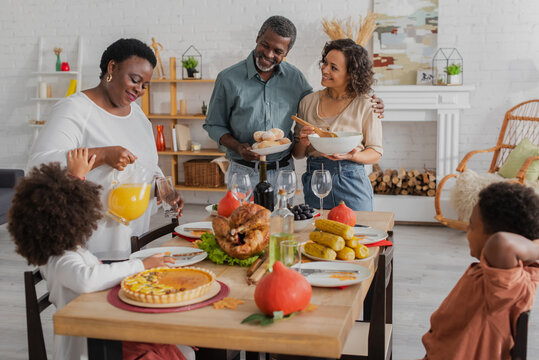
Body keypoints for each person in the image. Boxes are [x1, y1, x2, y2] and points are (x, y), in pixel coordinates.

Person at [7, 151, 194, 360]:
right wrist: (140, 266)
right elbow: (86, 279)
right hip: (94, 346)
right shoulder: (60, 260)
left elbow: (62, 203)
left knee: (179, 347)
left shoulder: (65, 251)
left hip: (106, 331)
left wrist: (78, 176)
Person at [28, 38, 183, 261]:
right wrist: (101, 155)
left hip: (133, 245)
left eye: (144, 86)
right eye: (135, 80)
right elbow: (37, 166)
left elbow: (147, 165)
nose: (139, 90)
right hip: (86, 250)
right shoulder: (75, 109)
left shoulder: (138, 117)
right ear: (112, 68)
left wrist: (162, 188)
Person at [203, 16, 384, 192]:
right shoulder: (228, 79)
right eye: (265, 45)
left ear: (287, 52)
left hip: (283, 173)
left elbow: (318, 103)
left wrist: (371, 100)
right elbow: (213, 125)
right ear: (258, 37)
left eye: (278, 51)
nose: (268, 54)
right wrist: (237, 147)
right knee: (241, 223)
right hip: (243, 172)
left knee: (284, 223)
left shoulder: (295, 78)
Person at [422, 182, 539, 359]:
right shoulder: (494, 275)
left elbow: (502, 243)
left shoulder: (505, 287)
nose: (468, 230)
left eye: (472, 225)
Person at [293, 39, 382, 211]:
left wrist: (352, 156)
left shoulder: (367, 104)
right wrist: (303, 143)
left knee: (358, 234)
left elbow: (376, 152)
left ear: (351, 74)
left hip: (351, 180)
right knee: (318, 236)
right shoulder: (307, 102)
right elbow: (298, 154)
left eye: (333, 67)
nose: (324, 69)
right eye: (325, 63)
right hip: (315, 180)